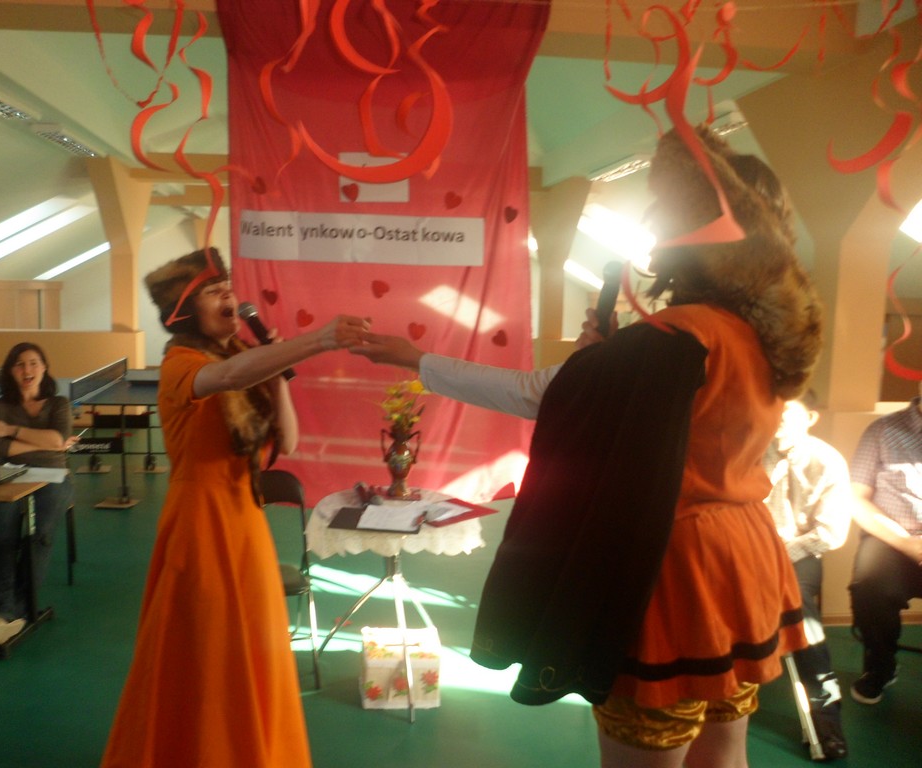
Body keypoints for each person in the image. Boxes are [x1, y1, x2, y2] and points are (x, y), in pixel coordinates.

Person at [354, 124, 823, 768]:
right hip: (742, 553)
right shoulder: (758, 336)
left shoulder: (672, 337)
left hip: (671, 564)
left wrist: (420, 359)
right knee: (724, 751)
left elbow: (538, 396)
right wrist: (601, 362)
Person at [100, 247, 369, 768]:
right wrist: (318, 339)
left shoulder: (245, 360)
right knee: (207, 655)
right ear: (184, 311)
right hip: (200, 524)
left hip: (245, 522)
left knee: (253, 649)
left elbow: (288, 439)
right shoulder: (181, 364)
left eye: (228, 286)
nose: (229, 295)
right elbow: (224, 379)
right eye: (212, 290)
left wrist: (279, 363)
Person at [763, 394, 852, 759]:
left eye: (786, 411)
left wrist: (781, 553)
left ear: (811, 417)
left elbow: (831, 533)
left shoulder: (827, 461)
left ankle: (825, 719)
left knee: (801, 613)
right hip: (748, 548)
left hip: (799, 552)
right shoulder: (749, 450)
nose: (776, 417)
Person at [0, 342, 75, 655]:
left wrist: (10, 430)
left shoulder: (59, 403)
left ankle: (20, 610)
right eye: (20, 364)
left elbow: (58, 440)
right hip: (7, 476)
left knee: (40, 537)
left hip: (53, 477)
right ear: (11, 371)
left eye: (34, 363)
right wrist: (47, 443)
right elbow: (0, 450)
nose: (27, 370)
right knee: (1, 540)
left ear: (44, 368)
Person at [847, 391, 922, 705]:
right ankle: (881, 666)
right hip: (892, 539)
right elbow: (856, 498)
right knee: (869, 586)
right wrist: (907, 543)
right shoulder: (882, 430)